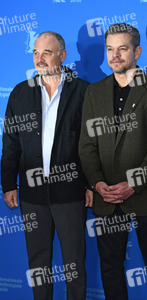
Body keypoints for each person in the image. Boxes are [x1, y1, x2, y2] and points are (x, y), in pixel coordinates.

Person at [78, 23, 147, 300]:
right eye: (110, 49)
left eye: (122, 48)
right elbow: (86, 145)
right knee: (110, 268)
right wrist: (97, 184)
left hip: (146, 196)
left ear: (138, 51)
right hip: (106, 197)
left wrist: (133, 183)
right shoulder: (93, 93)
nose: (114, 55)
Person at [1, 31, 91, 300]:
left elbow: (92, 144)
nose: (39, 59)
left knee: (74, 264)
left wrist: (89, 184)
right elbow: (11, 144)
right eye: (36, 53)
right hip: (32, 195)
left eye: (47, 53)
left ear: (62, 56)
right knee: (38, 264)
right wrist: (7, 184)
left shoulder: (85, 91)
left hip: (71, 193)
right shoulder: (20, 93)